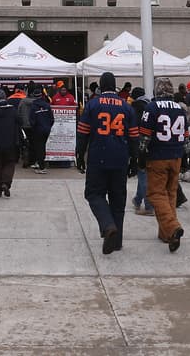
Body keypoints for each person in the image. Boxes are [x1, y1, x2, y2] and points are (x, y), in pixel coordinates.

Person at [75, 72, 138, 254]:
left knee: (94, 194)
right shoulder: (127, 107)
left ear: (101, 86)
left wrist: (79, 156)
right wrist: (134, 160)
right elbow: (134, 137)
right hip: (120, 157)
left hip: (98, 157)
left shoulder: (92, 105)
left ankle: (107, 225)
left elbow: (83, 133)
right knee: (118, 201)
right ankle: (116, 242)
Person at [141, 77, 188, 252]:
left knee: (155, 194)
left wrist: (140, 155)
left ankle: (172, 226)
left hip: (158, 155)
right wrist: (186, 158)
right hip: (176, 155)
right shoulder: (180, 109)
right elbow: (185, 136)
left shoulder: (152, 107)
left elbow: (145, 135)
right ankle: (166, 234)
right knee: (170, 194)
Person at [128, 87, 154, 214]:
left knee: (142, 172)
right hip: (153, 143)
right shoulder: (150, 105)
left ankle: (149, 205)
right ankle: (137, 200)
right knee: (142, 172)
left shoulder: (136, 107)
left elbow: (133, 128)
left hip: (141, 143)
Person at [29, 86, 55, 172]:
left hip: (38, 130)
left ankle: (41, 166)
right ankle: (40, 163)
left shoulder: (33, 106)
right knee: (42, 146)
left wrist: (34, 127)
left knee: (39, 147)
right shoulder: (47, 105)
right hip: (46, 129)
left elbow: (32, 120)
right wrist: (48, 126)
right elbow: (52, 119)